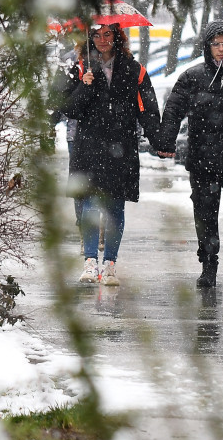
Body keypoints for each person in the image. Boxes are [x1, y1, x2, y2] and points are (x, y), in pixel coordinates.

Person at [155, 20, 223, 287]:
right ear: (207, 46)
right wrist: (166, 142)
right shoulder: (192, 77)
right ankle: (208, 265)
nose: (220, 49)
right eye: (215, 44)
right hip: (202, 159)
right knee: (205, 213)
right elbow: (173, 111)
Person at [57, 23, 161, 286]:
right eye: (97, 35)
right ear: (89, 38)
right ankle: (90, 262)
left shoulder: (134, 70)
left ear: (117, 37)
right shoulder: (81, 68)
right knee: (90, 204)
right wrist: (84, 86)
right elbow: (69, 108)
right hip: (89, 147)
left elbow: (147, 110)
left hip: (120, 149)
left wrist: (160, 140)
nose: (102, 40)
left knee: (115, 206)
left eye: (107, 34)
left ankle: (110, 264)